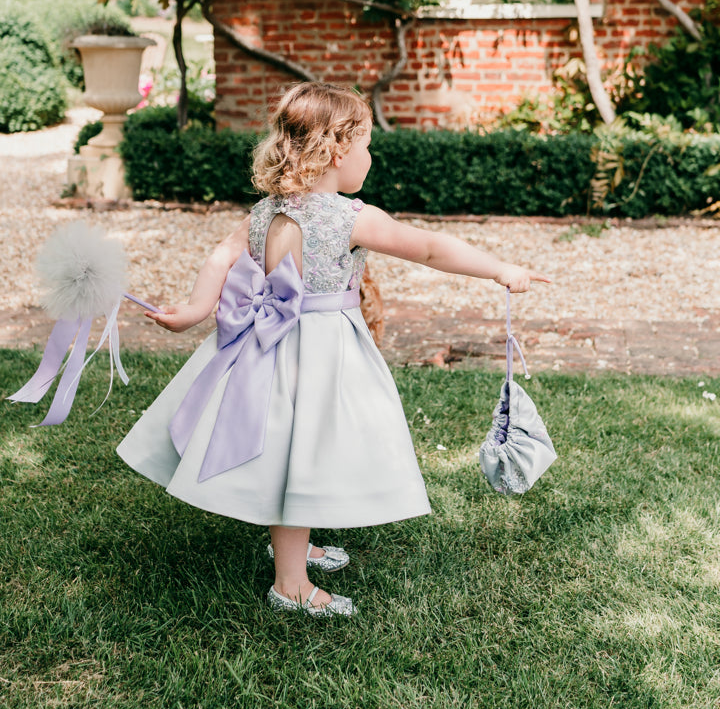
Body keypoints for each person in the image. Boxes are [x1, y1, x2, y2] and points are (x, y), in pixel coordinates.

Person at [116, 83, 549, 617]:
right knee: (302, 453)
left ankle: (294, 546)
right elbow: (431, 248)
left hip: (262, 347)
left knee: (286, 451)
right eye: (366, 143)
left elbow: (221, 256)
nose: (371, 155)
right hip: (319, 352)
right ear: (338, 149)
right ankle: (291, 584)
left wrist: (192, 311)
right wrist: (502, 270)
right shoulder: (349, 217)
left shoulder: (263, 211)